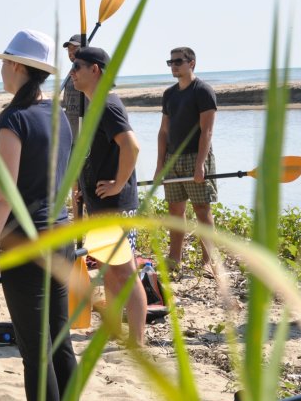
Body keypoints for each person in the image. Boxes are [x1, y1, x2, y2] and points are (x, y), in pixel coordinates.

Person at [0, 29, 76, 401]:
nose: (0, 69)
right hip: (62, 237)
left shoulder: (14, 119)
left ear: (17, 66)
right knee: (60, 345)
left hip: (26, 246)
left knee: (37, 355)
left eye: (3, 62)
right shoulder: (59, 116)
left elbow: (3, 197)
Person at [68, 46, 148, 347]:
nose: (72, 72)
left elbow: (132, 147)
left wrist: (118, 184)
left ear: (96, 70)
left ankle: (138, 340)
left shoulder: (108, 105)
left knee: (125, 272)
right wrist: (81, 184)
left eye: (77, 66)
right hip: (99, 204)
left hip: (117, 206)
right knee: (109, 271)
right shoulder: (94, 104)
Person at [155, 47, 219, 275]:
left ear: (192, 63)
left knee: (202, 209)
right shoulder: (169, 94)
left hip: (195, 156)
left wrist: (200, 164)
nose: (174, 65)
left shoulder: (203, 91)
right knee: (175, 211)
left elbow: (207, 132)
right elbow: (163, 131)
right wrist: (159, 165)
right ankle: (174, 259)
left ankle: (208, 261)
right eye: (170, 62)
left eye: (178, 61)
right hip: (172, 160)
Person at [61, 34, 83, 139]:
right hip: (70, 137)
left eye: (75, 48)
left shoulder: (90, 73)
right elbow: (67, 104)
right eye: (69, 49)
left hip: (88, 139)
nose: (71, 52)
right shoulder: (70, 76)